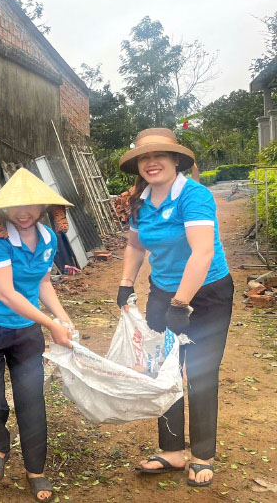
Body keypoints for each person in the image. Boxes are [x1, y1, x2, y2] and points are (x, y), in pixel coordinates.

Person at [116, 128, 233, 488]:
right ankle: (171, 451)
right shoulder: (140, 200)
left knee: (199, 372)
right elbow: (136, 246)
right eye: (143, 159)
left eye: (159, 156)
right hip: (163, 290)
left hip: (207, 292)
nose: (151, 163)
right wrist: (125, 283)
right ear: (138, 166)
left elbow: (202, 252)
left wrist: (181, 304)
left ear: (176, 160)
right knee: (163, 370)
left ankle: (201, 454)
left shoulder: (194, 196)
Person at [0, 168, 75, 503]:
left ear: (44, 205)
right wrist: (51, 325)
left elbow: (42, 282)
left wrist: (64, 318)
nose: (24, 213)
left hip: (25, 332)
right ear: (4, 209)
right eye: (17, 206)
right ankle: (0, 442)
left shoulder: (48, 238)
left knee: (31, 400)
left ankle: (35, 471)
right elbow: (7, 294)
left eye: (31, 205)